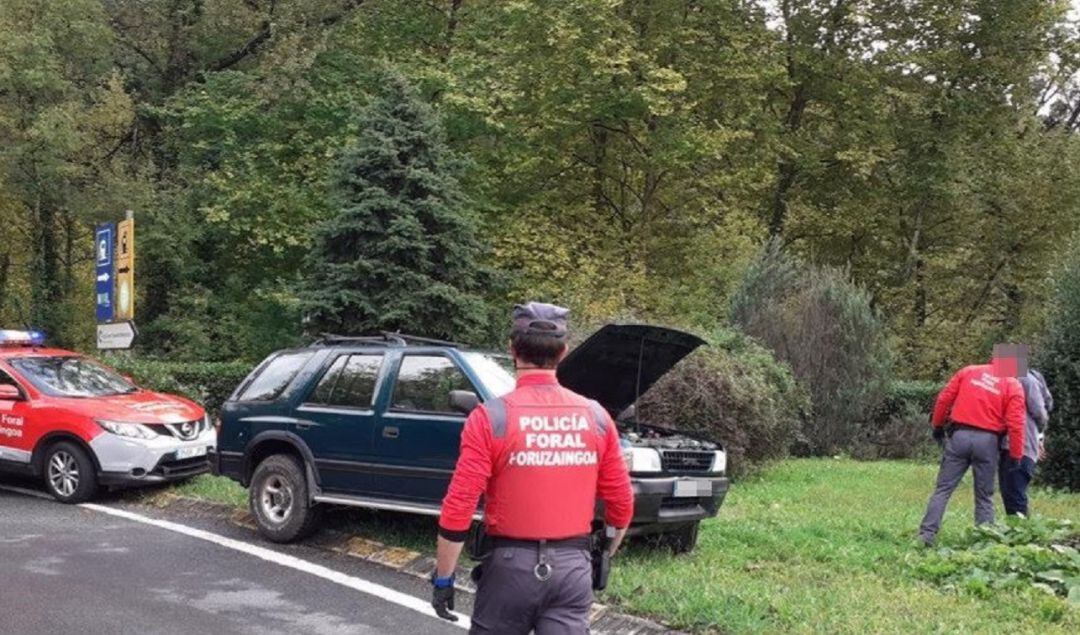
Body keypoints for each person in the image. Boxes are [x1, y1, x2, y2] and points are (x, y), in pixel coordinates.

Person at [431, 302, 634, 634]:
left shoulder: (491, 418)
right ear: (564, 352)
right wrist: (601, 556)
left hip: (508, 570)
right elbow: (622, 505)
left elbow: (458, 508)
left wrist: (443, 578)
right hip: (573, 568)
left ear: (512, 349)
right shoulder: (596, 417)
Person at [917, 344, 1026, 547]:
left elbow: (944, 399)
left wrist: (938, 426)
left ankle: (926, 536)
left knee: (943, 489)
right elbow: (1016, 423)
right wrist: (1016, 454)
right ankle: (984, 542)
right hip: (988, 442)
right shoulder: (1013, 385)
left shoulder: (969, 371)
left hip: (959, 436)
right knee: (984, 495)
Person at [998, 363, 1051, 516]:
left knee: (1015, 494)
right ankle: (1019, 532)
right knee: (1010, 493)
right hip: (1014, 445)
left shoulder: (1026, 380)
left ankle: (1022, 535)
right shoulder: (1014, 379)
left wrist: (1039, 436)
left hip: (1020, 446)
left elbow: (1040, 413)